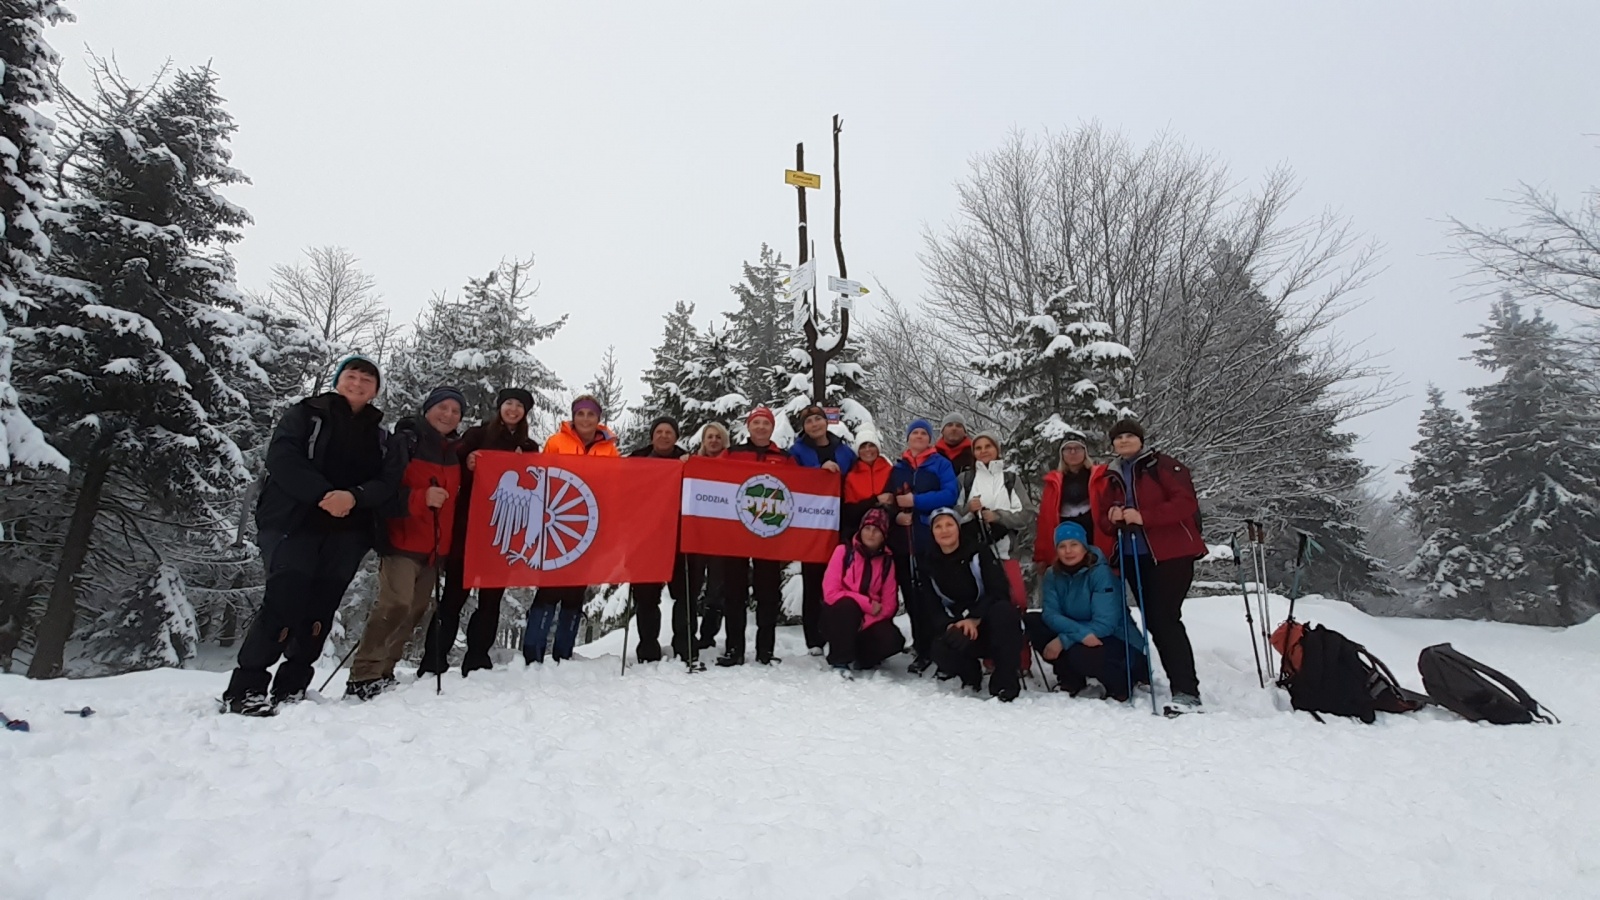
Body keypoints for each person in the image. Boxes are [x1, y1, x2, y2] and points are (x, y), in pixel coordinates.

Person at [222, 355, 404, 716]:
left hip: (348, 532)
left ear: (376, 390)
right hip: (294, 522)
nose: (358, 384)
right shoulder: (305, 414)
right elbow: (283, 459)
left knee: (321, 608)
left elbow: (388, 481)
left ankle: (292, 687)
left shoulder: (382, 435)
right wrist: (324, 495)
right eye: (352, 376)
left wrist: (353, 497)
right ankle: (246, 687)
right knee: (283, 601)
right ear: (339, 379)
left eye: (367, 380)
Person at [346, 387, 464, 700]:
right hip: (401, 539)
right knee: (394, 605)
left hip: (434, 548)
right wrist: (419, 498)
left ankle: (384, 670)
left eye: (455, 411)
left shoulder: (455, 451)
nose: (448, 415)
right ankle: (363, 673)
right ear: (428, 409)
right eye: (443, 407)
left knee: (414, 610)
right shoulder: (405, 442)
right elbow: (383, 491)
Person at [419, 387, 540, 677]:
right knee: (453, 597)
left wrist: (528, 463)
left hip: (503, 533)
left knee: (491, 600)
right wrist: (468, 460)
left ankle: (477, 657)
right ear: (500, 406)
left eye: (519, 406)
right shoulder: (476, 435)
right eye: (508, 403)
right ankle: (434, 659)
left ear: (525, 413)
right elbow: (450, 464)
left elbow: (538, 482)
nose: (513, 410)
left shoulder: (530, 446)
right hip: (469, 528)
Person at [1089, 419, 1207, 710]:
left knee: (1165, 619)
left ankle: (1187, 690)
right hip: (1133, 555)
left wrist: (1144, 516)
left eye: (1129, 436)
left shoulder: (1163, 466)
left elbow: (1185, 503)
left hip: (1170, 554)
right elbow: (1103, 517)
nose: (1124, 441)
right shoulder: (1112, 474)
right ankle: (1181, 686)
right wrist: (1113, 516)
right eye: (1118, 438)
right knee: (1154, 621)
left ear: (1140, 440)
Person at [523, 394, 619, 664]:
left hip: (589, 525)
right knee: (549, 588)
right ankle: (533, 653)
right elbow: (543, 478)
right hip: (556, 523)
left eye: (591, 414)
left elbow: (614, 485)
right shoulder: (556, 442)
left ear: (598, 419)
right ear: (573, 417)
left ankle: (563, 653)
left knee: (576, 590)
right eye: (581, 414)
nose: (586, 419)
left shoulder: (609, 449)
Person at [1024, 522, 1150, 701]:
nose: (1068, 551)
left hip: (1117, 639)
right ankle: (1070, 680)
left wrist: (1064, 639)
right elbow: (1050, 614)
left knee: (1078, 652)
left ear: (1084, 546)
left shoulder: (1101, 573)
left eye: (1074, 545)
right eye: (1062, 546)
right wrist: (1078, 635)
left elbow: (1106, 624)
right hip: (1084, 635)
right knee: (1034, 622)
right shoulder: (1053, 575)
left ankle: (1121, 683)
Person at [716, 406, 793, 666]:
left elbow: (798, 488)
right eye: (756, 422)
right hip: (735, 535)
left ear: (772, 428)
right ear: (748, 427)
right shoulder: (733, 454)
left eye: (766, 423)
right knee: (734, 593)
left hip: (769, 535)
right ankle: (734, 649)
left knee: (768, 594)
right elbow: (710, 478)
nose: (761, 427)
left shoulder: (784, 458)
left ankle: (765, 651)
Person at [921, 508, 1023, 701]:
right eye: (938, 526)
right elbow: (931, 605)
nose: (945, 530)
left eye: (949, 524)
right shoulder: (928, 563)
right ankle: (970, 675)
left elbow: (999, 590)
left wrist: (975, 617)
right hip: (959, 624)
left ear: (958, 528)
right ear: (932, 532)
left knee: (1005, 612)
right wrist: (949, 624)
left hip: (988, 619)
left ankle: (1005, 680)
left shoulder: (979, 552)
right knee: (940, 648)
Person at [886, 418, 959, 674]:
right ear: (907, 438)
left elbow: (951, 494)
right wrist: (896, 514)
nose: (918, 436)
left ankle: (941, 648)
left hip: (932, 540)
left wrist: (916, 501)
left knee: (934, 595)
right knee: (912, 595)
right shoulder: (898, 467)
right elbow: (888, 499)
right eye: (914, 432)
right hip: (904, 542)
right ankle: (921, 645)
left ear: (929, 438)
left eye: (923, 433)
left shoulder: (940, 464)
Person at [788, 404, 857, 658]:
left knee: (840, 578)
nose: (814, 424)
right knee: (813, 580)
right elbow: (791, 482)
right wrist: (819, 474)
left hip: (841, 523)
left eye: (818, 419)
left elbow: (855, 479)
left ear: (826, 421)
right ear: (804, 427)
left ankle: (836, 631)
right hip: (812, 525)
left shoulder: (844, 451)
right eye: (809, 421)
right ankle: (813, 637)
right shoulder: (796, 452)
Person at [627, 415, 691, 662]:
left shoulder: (686, 461)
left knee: (683, 596)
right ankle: (648, 647)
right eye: (659, 432)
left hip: (679, 538)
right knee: (646, 598)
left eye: (669, 432)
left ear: (676, 437)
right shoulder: (637, 460)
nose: (664, 436)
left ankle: (684, 646)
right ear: (652, 436)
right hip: (646, 539)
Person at [821, 508, 904, 677]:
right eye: (867, 528)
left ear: (884, 535)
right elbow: (831, 592)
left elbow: (889, 605)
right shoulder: (844, 552)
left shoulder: (887, 561)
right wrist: (865, 604)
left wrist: (864, 621)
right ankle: (839, 661)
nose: (871, 534)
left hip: (869, 621)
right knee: (847, 606)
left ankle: (862, 658)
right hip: (839, 616)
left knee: (893, 640)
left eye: (876, 530)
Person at [688, 421, 732, 652]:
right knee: (692, 588)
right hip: (695, 535)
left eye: (718, 437)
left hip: (721, 538)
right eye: (709, 437)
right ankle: (689, 634)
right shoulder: (692, 464)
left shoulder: (734, 465)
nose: (713, 440)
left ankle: (708, 635)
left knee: (716, 590)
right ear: (703, 441)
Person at [956, 432, 1031, 560]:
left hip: (1007, 553)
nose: (983, 451)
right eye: (978, 448)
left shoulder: (1010, 479)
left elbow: (1026, 515)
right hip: (972, 554)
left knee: (1011, 581)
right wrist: (968, 508)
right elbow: (951, 517)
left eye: (988, 446)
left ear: (997, 449)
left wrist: (998, 516)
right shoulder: (965, 479)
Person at [1034, 439, 1095, 572]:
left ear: (1085, 452)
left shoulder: (1098, 477)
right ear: (1062, 454)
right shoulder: (1053, 483)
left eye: (1077, 448)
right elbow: (1046, 520)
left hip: (1094, 539)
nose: (1073, 452)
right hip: (1064, 540)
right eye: (1068, 449)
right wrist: (1042, 556)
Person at [840, 423, 891, 538]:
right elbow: (849, 512)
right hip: (859, 530)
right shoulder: (851, 476)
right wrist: (875, 501)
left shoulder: (890, 470)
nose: (867, 450)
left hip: (888, 530)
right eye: (863, 446)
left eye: (871, 445)